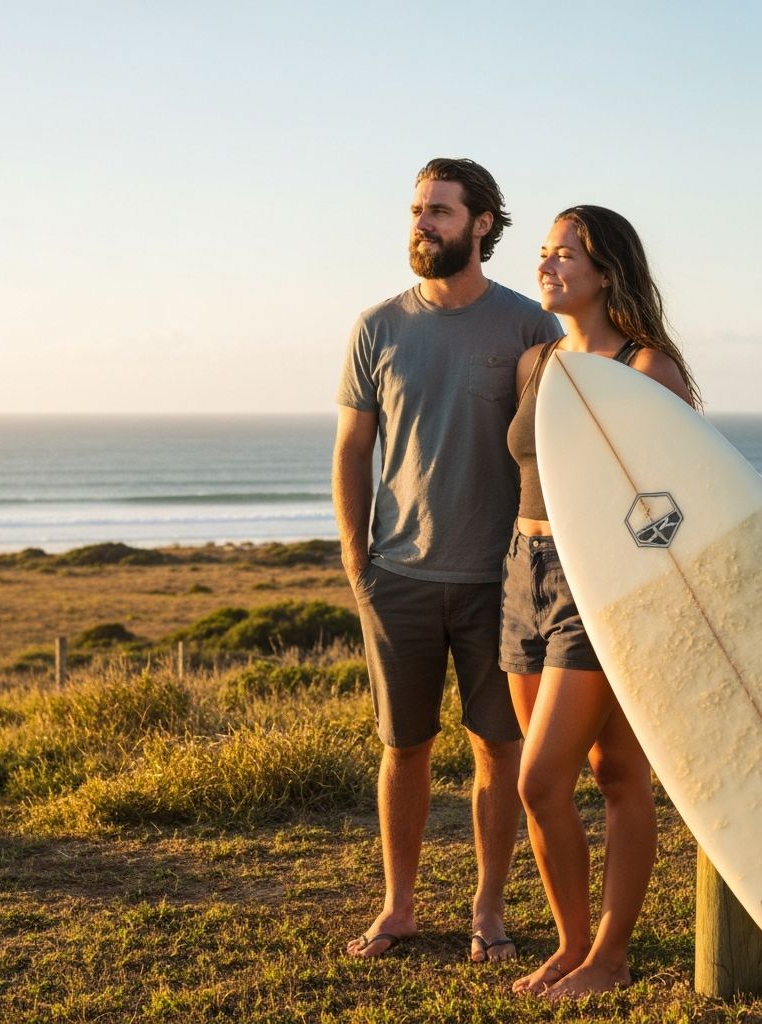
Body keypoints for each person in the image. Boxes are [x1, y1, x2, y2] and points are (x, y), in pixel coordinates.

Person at [334, 158, 560, 962]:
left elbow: (563, 448)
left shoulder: (532, 326)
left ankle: (489, 911)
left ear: (482, 224)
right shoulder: (378, 327)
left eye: (440, 211)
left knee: (498, 751)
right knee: (404, 748)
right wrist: (358, 562)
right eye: (417, 210)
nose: (422, 224)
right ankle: (398, 909)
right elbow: (353, 449)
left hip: (502, 583)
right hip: (398, 576)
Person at [500, 205, 700, 999]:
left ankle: (610, 958)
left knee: (546, 781)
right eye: (544, 252)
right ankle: (577, 948)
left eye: (566, 254)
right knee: (608, 768)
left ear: (607, 271)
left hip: (602, 584)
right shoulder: (536, 364)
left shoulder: (648, 370)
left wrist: (640, 596)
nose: (547, 265)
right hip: (523, 572)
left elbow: (680, 502)